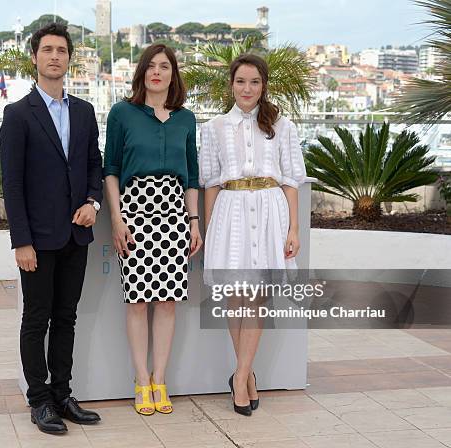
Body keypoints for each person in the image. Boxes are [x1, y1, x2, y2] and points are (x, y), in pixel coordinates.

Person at [0, 23, 103, 435]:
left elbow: (94, 164)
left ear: (69, 59)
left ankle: (62, 393)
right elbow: (13, 183)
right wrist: (21, 241)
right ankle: (39, 400)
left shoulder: (84, 111)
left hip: (77, 235)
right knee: (36, 319)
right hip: (37, 241)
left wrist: (93, 202)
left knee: (67, 318)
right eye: (47, 50)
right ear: (35, 58)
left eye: (62, 50)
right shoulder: (18, 114)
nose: (55, 56)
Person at [199, 53, 306, 416]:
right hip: (230, 214)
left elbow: (291, 181)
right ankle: (245, 376)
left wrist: (293, 228)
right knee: (236, 297)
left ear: (264, 86)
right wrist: (210, 228)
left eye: (255, 82)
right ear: (231, 84)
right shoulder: (213, 127)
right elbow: (211, 182)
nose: (247, 89)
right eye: (241, 81)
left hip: (270, 212)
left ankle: (241, 375)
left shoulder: (283, 126)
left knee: (257, 297)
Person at [103, 44, 202, 416]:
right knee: (137, 302)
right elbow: (110, 168)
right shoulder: (122, 114)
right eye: (151, 66)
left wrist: (194, 221)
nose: (157, 72)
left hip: (175, 214)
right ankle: (141, 380)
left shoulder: (186, 119)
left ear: (173, 74)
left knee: (167, 302)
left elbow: (191, 176)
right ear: (142, 72)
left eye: (165, 66)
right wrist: (117, 218)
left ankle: (161, 378)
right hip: (135, 214)